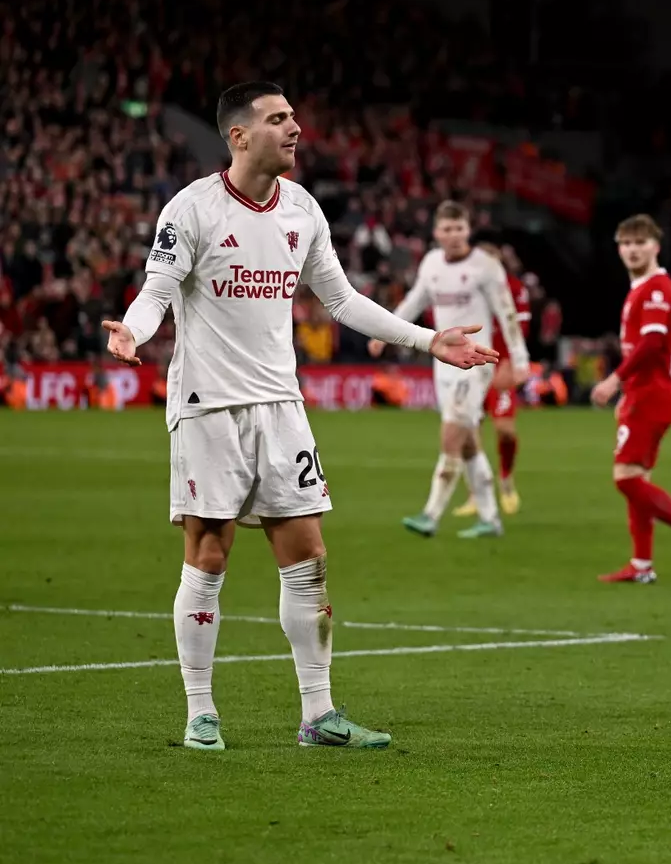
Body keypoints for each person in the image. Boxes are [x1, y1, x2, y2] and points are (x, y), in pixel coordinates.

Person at [103, 82, 497, 752]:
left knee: (308, 557)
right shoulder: (192, 209)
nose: (296, 129)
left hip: (281, 407)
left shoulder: (303, 209)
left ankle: (318, 715)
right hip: (209, 409)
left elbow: (341, 300)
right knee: (209, 554)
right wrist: (132, 333)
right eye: (279, 119)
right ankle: (202, 713)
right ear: (239, 136)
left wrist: (428, 340)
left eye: (293, 117)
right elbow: (157, 291)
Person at [367, 202, 529, 538]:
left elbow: (507, 312)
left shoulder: (485, 266)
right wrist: (385, 332)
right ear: (437, 232)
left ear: (468, 230)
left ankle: (431, 514)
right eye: (447, 229)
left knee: (452, 432)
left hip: (476, 360)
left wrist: (520, 359)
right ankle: (490, 519)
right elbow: (416, 301)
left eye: (459, 228)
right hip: (444, 363)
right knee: (468, 441)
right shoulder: (431, 264)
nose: (454, 235)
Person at [590, 214, 671, 584]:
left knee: (626, 479)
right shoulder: (643, 287)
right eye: (626, 244)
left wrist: (615, 380)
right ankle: (641, 565)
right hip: (642, 393)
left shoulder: (658, 289)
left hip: (653, 393)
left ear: (655, 246)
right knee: (636, 477)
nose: (632, 250)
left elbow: (652, 343)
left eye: (640, 243)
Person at [454, 241, 530, 518]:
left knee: (505, 431)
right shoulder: (464, 289)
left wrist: (512, 362)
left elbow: (519, 327)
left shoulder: (515, 288)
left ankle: (506, 480)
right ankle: (476, 493)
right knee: (467, 433)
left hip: (499, 365)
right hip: (470, 367)